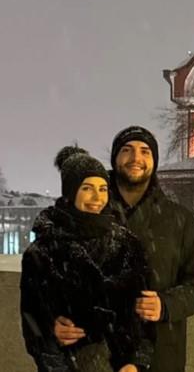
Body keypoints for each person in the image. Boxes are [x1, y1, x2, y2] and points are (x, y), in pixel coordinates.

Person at [55, 126, 194, 372]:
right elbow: (51, 277)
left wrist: (167, 304)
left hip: (160, 356)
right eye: (127, 150)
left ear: (154, 161)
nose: (136, 158)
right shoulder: (85, 211)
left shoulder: (179, 220)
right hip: (92, 355)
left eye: (145, 151)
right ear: (115, 158)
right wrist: (53, 321)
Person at [21, 146, 154, 372]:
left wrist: (136, 362)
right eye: (87, 188)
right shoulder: (43, 251)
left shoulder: (127, 244)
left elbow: (143, 315)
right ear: (70, 192)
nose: (97, 198)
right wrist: (50, 332)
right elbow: (33, 319)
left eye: (102, 189)